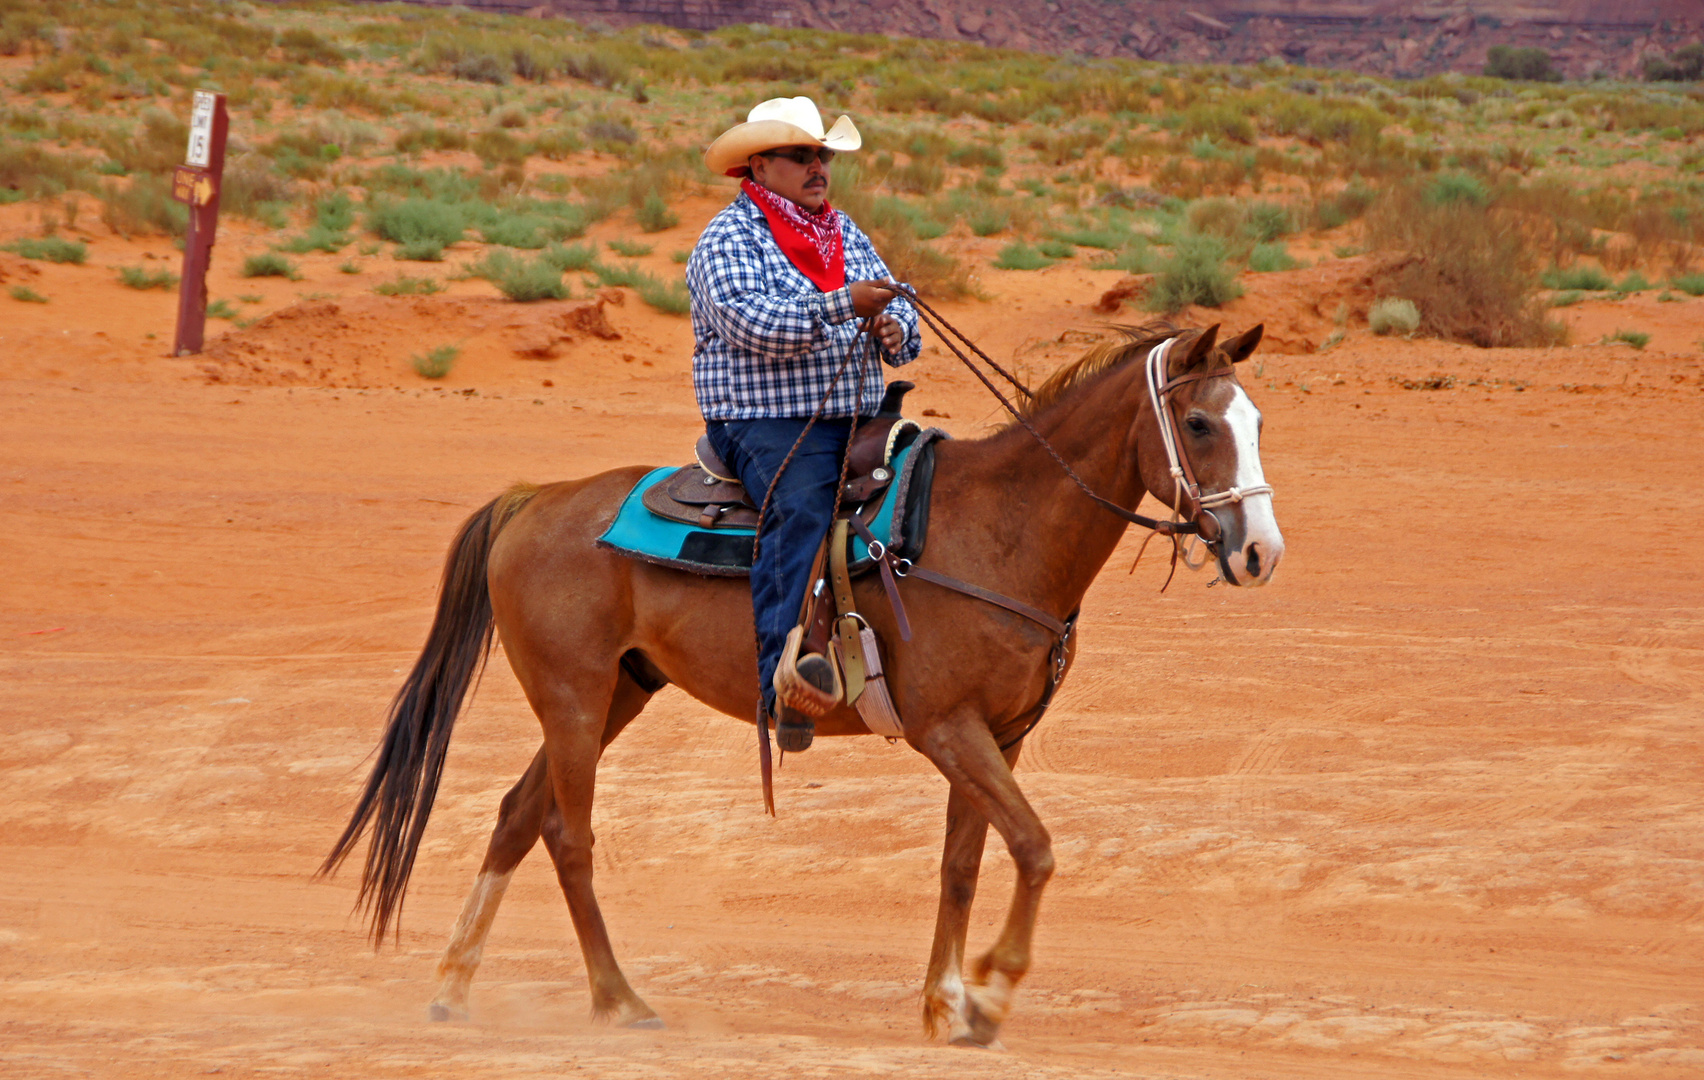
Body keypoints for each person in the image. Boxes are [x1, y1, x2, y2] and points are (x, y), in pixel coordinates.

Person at [686, 97, 922, 753]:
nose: (817, 167)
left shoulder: (844, 233)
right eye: (801, 155)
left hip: (858, 415)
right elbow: (750, 325)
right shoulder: (728, 238)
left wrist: (892, 325)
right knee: (801, 508)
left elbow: (906, 323)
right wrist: (845, 304)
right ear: (758, 165)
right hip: (763, 420)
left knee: (939, 484)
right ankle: (782, 683)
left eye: (821, 154)